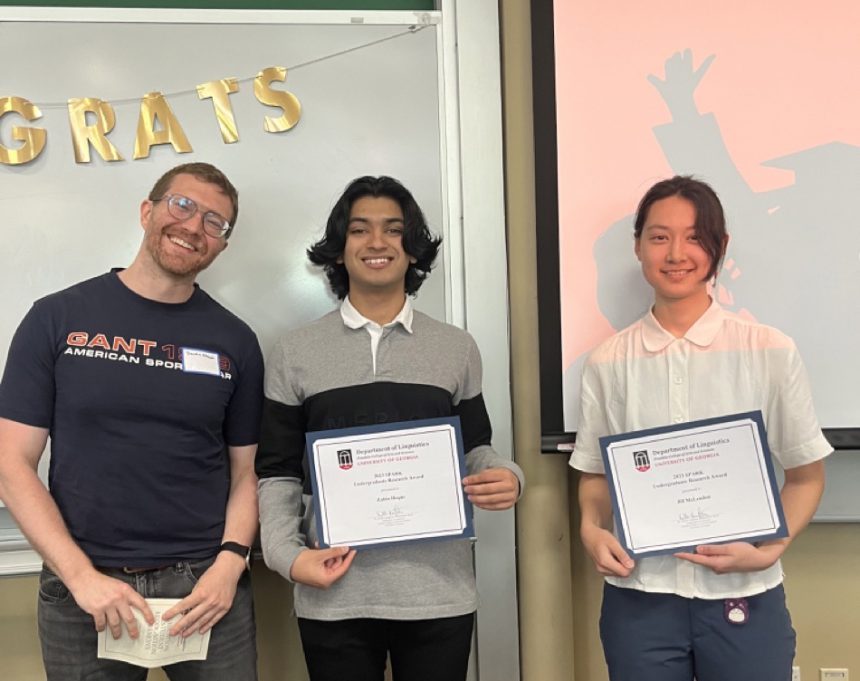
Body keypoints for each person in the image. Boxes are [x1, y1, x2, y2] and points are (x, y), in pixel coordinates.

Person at [0, 162, 264, 681]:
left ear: (221, 246)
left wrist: (230, 565)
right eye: (182, 205)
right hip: (83, 588)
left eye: (216, 222)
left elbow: (246, 473)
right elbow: (12, 464)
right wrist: (81, 578)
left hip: (204, 588)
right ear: (148, 211)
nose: (194, 227)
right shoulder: (57, 319)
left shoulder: (236, 341)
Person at [256, 175, 524, 681]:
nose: (376, 242)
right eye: (359, 230)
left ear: (413, 250)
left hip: (438, 594)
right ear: (339, 250)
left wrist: (508, 476)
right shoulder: (294, 352)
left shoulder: (456, 347)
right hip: (332, 594)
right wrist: (288, 558)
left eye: (393, 230)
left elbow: (476, 449)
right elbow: (277, 472)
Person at [571, 175, 831, 681]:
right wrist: (589, 526)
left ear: (720, 248)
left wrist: (769, 550)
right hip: (640, 597)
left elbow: (806, 476)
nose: (676, 253)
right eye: (660, 236)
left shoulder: (769, 349)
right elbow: (597, 475)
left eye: (694, 237)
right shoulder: (606, 361)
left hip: (745, 595)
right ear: (639, 246)